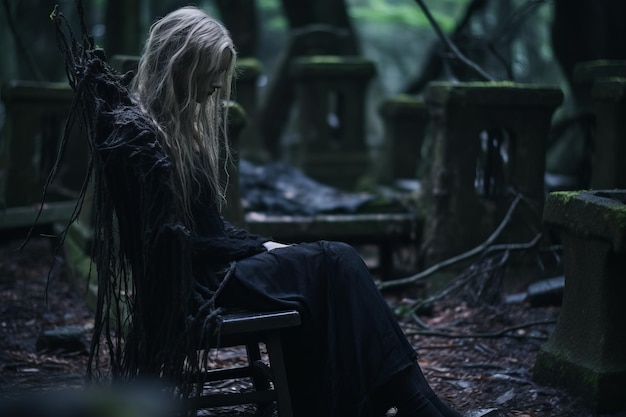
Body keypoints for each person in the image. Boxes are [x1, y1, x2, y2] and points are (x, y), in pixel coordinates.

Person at [51, 5, 463, 417]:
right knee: (338, 260)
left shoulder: (177, 132)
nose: (217, 83)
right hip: (197, 285)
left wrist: (261, 244)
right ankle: (411, 401)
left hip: (212, 269)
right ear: (181, 62)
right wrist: (255, 249)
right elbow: (178, 240)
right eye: (212, 69)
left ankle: (382, 401)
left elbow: (205, 227)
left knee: (330, 271)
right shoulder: (144, 138)